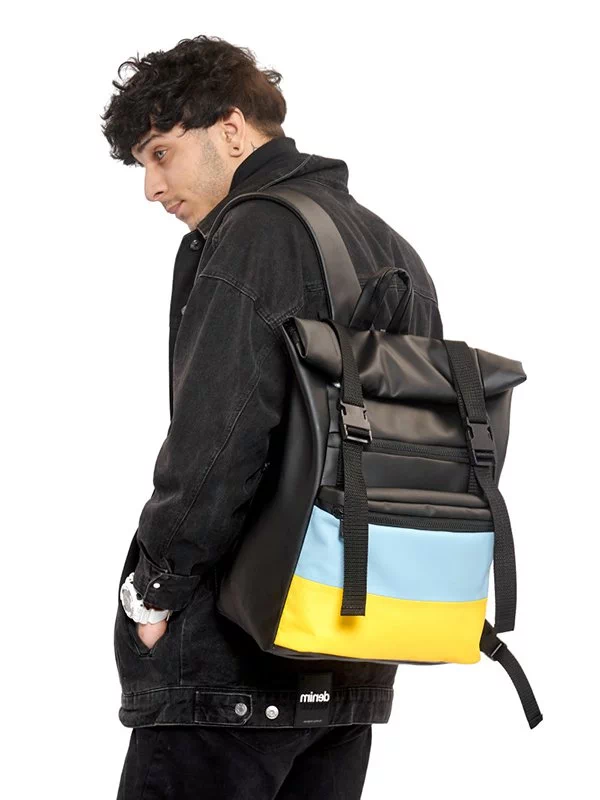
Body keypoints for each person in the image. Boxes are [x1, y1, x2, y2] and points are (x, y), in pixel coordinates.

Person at [101, 34, 443, 799]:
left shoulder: (255, 233)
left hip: (232, 673)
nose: (152, 187)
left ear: (230, 128)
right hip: (350, 666)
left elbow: (215, 442)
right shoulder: (393, 249)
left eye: (160, 154)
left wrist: (152, 591)